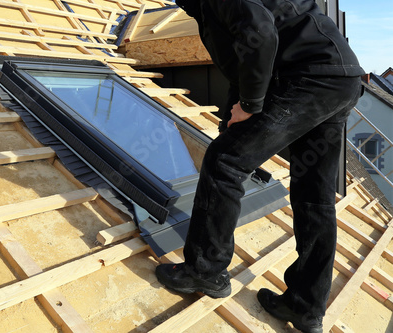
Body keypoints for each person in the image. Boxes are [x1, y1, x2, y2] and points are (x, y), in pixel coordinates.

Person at [154, 0, 365, 332]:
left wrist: (251, 105)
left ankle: (204, 271)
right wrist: (234, 115)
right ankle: (305, 307)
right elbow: (245, 62)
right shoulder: (207, 10)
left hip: (308, 78)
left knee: (225, 161)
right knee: (314, 195)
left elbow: (261, 34)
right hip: (338, 78)